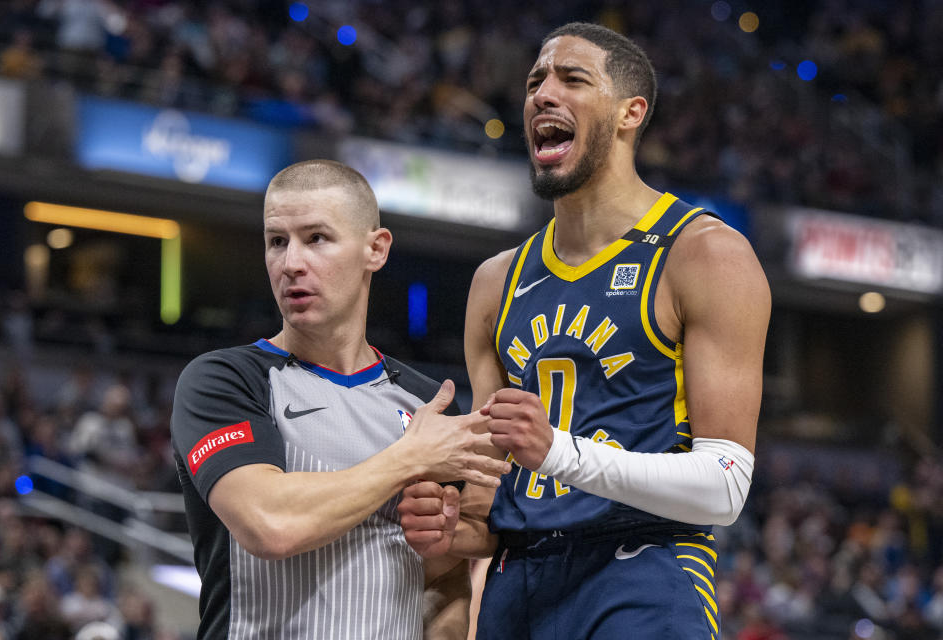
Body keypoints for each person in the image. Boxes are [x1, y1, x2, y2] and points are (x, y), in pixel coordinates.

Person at [398, 22, 771, 639]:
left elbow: (724, 489)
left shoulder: (703, 254)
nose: (544, 93)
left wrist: (560, 453)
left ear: (631, 113)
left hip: (646, 566)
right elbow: (499, 497)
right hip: (522, 577)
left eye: (573, 79)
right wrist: (447, 522)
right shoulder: (496, 283)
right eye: (535, 81)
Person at [170, 159, 510, 639]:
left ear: (376, 249)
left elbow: (447, 580)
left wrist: (442, 538)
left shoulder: (429, 404)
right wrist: (408, 458)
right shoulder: (224, 380)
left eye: (317, 238)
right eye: (277, 241)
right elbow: (270, 524)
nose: (291, 263)